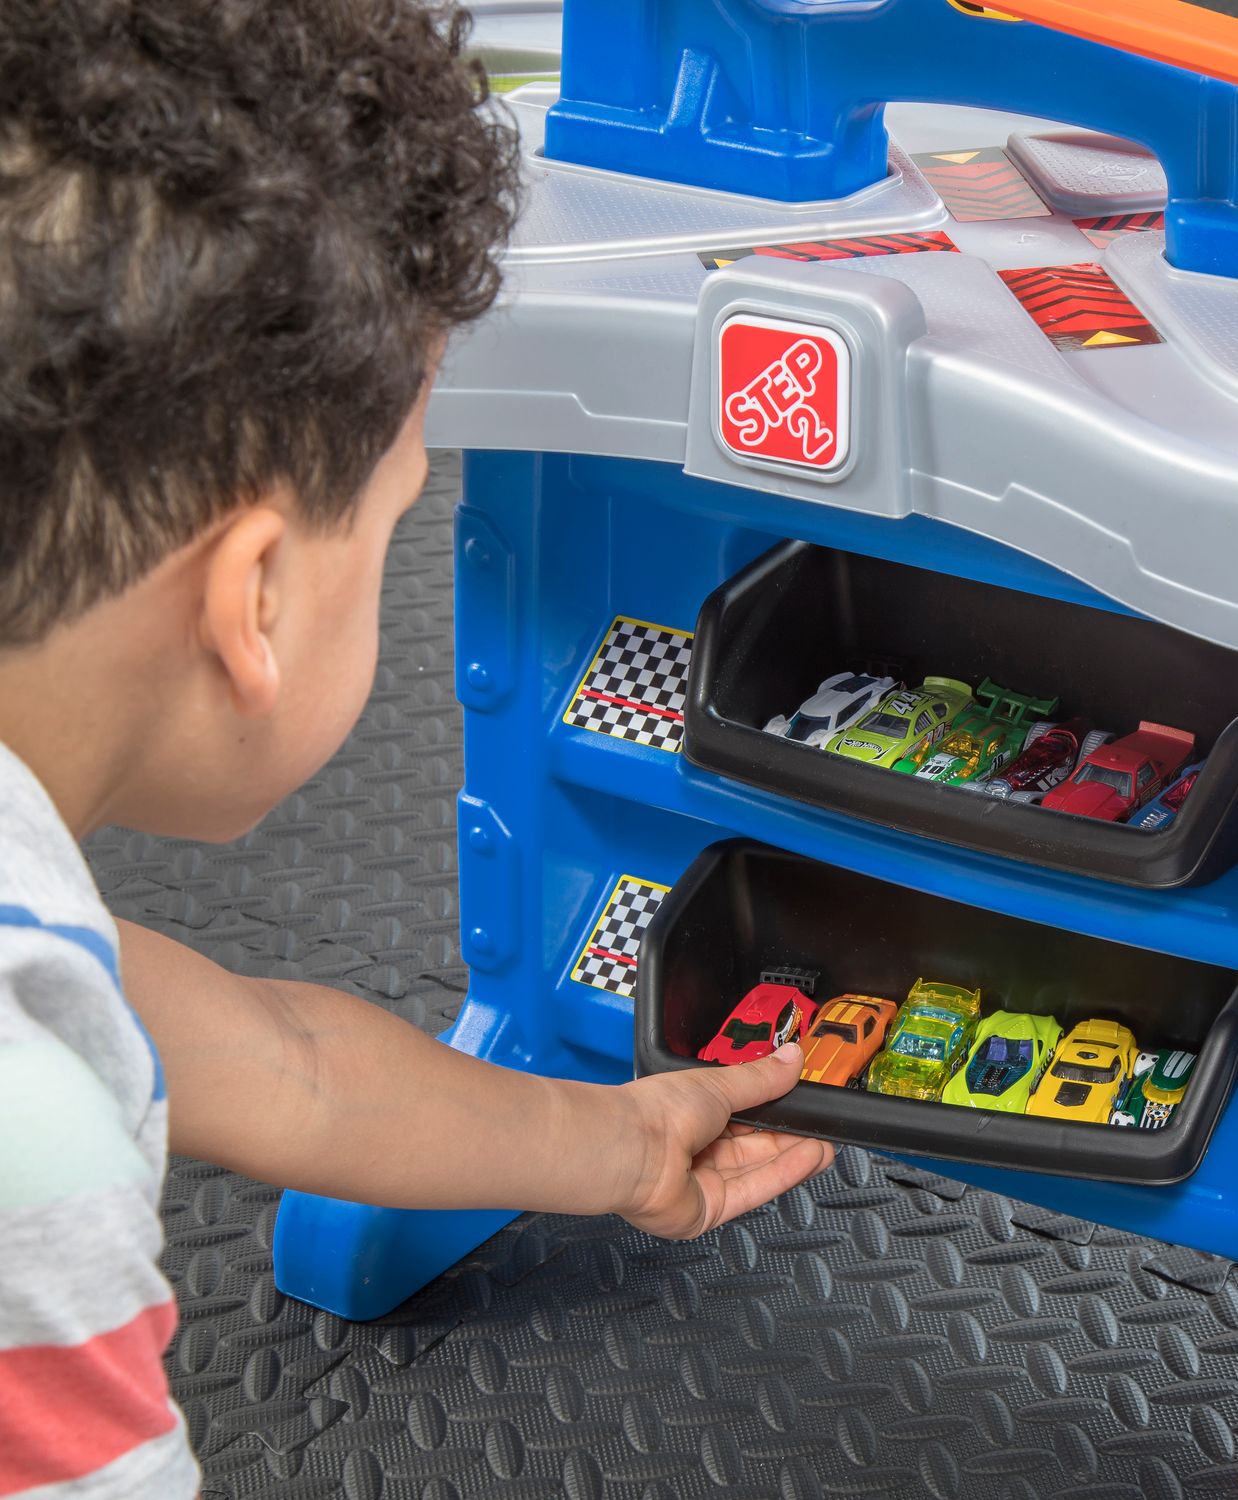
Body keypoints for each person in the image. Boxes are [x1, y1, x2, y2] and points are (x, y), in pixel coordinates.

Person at [0, 3, 831, 1494]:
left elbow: (281, 1065)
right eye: (393, 525)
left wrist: (625, 1143)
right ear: (254, 601)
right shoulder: (31, 1150)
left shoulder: (40, 957)